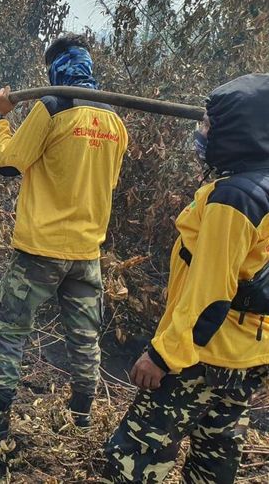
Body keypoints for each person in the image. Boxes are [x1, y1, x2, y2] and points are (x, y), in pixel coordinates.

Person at [0, 34, 129, 437]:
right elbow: (109, 182)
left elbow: (7, 162)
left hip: (40, 251)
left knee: (11, 329)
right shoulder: (115, 121)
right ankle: (81, 417)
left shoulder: (52, 107)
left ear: (53, 69)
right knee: (85, 338)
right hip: (87, 252)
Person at [102, 73, 269, 483]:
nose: (202, 132)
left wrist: (162, 356)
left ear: (237, 131)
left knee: (135, 456)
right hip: (248, 357)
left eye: (210, 125)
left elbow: (209, 295)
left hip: (203, 355)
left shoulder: (236, 199)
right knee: (215, 456)